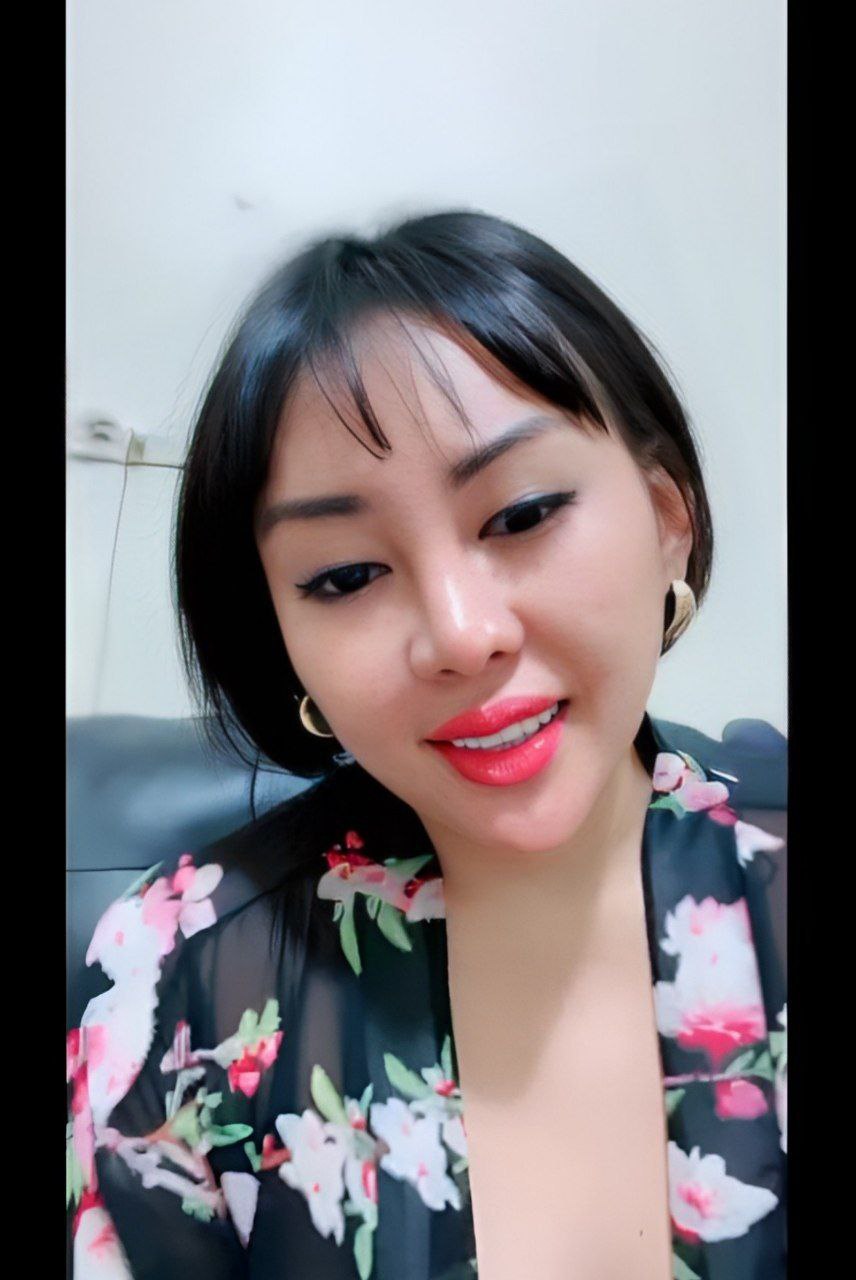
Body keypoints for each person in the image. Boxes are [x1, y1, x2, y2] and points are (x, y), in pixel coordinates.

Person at [66, 209, 787, 1279]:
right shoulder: (174, 984)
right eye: (346, 576)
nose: (459, 634)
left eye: (522, 513)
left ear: (665, 517)